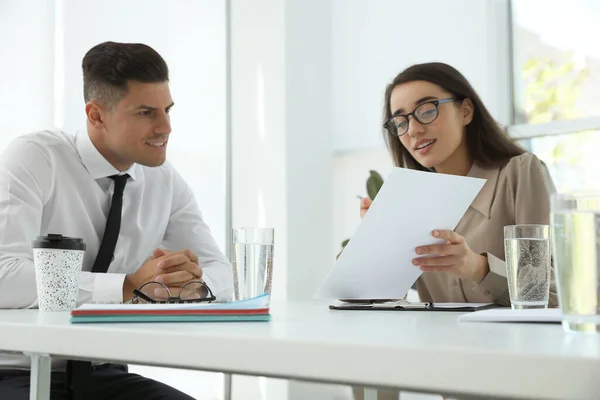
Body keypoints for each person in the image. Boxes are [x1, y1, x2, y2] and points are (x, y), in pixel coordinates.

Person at [0, 41, 232, 400]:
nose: (165, 127)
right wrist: (126, 285)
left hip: (102, 374)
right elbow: (4, 274)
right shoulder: (36, 158)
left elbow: (220, 271)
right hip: (16, 371)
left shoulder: (164, 180)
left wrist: (185, 281)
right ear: (96, 115)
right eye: (145, 112)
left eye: (167, 110)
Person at [353, 62, 558, 400]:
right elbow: (375, 304)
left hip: (525, 377)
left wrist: (476, 267)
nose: (413, 130)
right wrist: (376, 242)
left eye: (427, 110)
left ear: (465, 110)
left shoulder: (520, 173)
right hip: (453, 379)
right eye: (400, 121)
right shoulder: (409, 200)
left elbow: (550, 299)